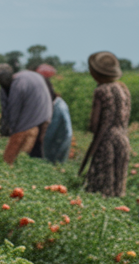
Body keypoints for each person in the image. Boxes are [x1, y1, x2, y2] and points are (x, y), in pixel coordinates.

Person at [79, 51, 131, 197]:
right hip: (122, 140)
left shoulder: (101, 90)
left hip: (106, 142)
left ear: (95, 72)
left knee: (101, 187)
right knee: (117, 186)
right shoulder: (123, 89)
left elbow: (95, 125)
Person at [0, 63, 53, 165]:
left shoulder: (18, 85)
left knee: (35, 144)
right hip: (37, 108)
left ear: (10, 77)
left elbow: (14, 112)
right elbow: (5, 110)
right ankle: (22, 162)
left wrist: (11, 130)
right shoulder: (4, 89)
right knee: (27, 139)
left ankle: (31, 165)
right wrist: (3, 128)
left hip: (38, 111)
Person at [40, 72, 73, 164]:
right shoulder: (51, 105)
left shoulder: (60, 107)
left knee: (53, 165)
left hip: (58, 145)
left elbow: (65, 134)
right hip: (51, 145)